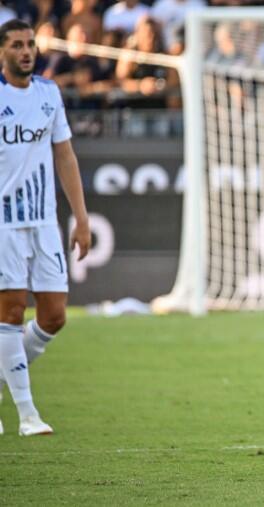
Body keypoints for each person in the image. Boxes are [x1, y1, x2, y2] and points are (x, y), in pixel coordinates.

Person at [0, 19, 91, 436]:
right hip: (4, 222)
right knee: (11, 313)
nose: (26, 52)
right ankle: (27, 414)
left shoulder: (49, 93)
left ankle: (8, 378)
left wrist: (81, 217)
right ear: (2, 52)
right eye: (17, 45)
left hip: (44, 221)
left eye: (30, 44)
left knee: (54, 316)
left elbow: (65, 156)